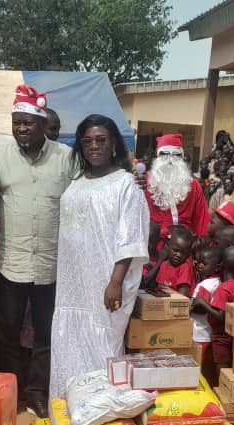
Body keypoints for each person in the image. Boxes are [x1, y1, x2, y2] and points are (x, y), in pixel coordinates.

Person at [0, 84, 75, 416]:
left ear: (42, 124)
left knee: (46, 335)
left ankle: (38, 392)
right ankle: (14, 388)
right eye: (17, 122)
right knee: (7, 333)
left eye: (28, 122)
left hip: (52, 265)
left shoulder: (66, 158)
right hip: (11, 263)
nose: (22, 128)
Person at [48, 114, 149, 399]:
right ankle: (69, 407)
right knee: (69, 343)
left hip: (105, 282)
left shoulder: (126, 184)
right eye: (87, 141)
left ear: (114, 143)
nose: (94, 146)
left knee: (101, 342)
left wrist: (115, 281)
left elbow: (130, 238)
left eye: (101, 140)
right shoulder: (78, 180)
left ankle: (101, 408)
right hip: (72, 285)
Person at [191, 245, 234, 385]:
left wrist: (203, 303)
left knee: (220, 368)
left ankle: (221, 391)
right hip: (233, 334)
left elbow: (221, 316)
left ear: (221, 265)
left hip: (220, 336)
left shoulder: (223, 288)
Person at [145, 134, 210, 239]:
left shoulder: (193, 185)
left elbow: (201, 219)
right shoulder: (145, 183)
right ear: (157, 156)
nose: (170, 159)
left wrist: (200, 243)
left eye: (176, 154)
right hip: (153, 242)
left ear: (182, 157)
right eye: (164, 154)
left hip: (184, 244)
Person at [142, 226, 196, 296]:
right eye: (175, 250)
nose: (178, 255)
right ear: (168, 247)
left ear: (188, 254)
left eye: (183, 253)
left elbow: (181, 297)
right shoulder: (163, 264)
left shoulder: (185, 267)